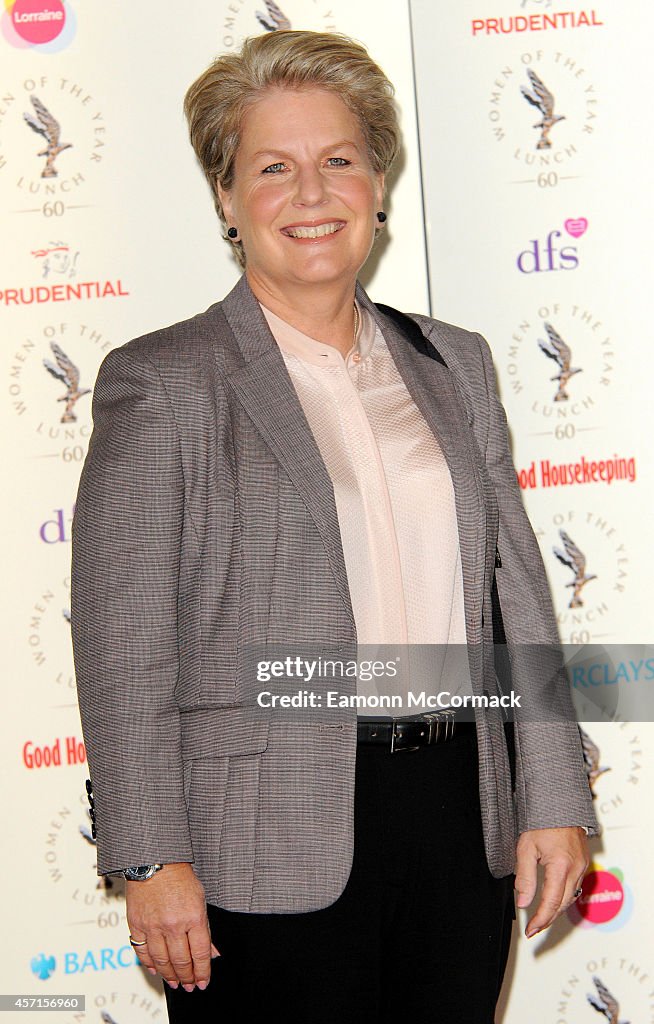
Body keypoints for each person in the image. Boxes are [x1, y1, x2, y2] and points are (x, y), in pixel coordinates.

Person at [71, 29, 598, 1024]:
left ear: (378, 184)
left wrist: (557, 795)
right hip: (258, 843)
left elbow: (519, 594)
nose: (311, 194)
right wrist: (150, 855)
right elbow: (125, 642)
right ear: (227, 199)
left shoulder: (457, 364)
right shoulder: (165, 382)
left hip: (456, 815)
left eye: (339, 160)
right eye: (273, 168)